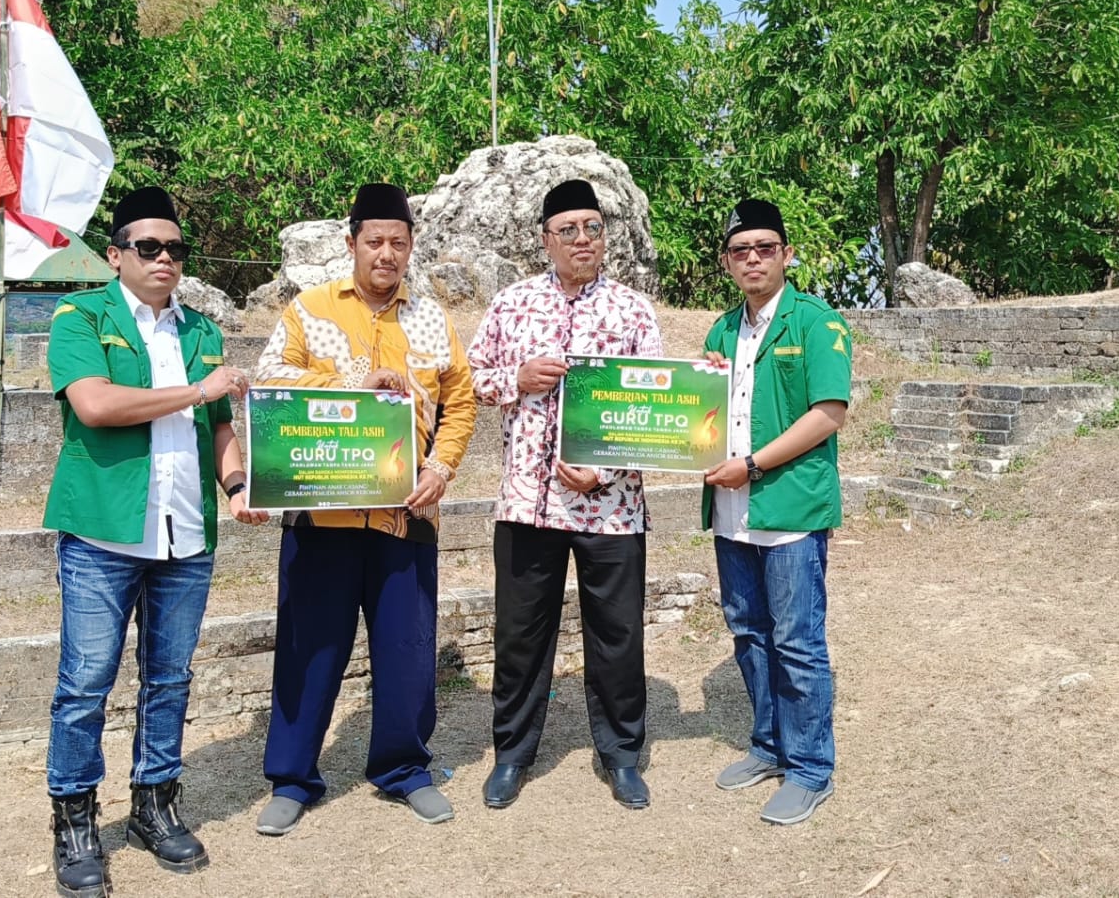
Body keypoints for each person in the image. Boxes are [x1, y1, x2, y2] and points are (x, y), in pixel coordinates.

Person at [42, 185, 267, 894]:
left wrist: (236, 487)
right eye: (149, 247)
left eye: (175, 248)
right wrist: (200, 393)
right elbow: (96, 405)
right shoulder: (81, 317)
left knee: (169, 679)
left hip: (186, 530)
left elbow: (221, 430)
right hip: (105, 532)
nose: (164, 259)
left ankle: (155, 805)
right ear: (117, 255)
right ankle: (75, 822)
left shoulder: (201, 331)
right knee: (85, 685)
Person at [252, 182, 476, 836]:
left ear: (411, 249)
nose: (386, 254)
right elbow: (269, 383)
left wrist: (440, 467)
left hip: (406, 516)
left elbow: (460, 402)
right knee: (308, 651)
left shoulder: (432, 318)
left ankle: (404, 769)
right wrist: (353, 380)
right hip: (322, 517)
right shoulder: (309, 310)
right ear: (351, 244)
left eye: (398, 243)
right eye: (374, 241)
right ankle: (293, 778)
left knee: (407, 653)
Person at [466, 179, 664, 811]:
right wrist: (515, 378)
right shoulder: (511, 304)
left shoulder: (633, 311)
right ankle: (513, 755)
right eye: (568, 230)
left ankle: (622, 755)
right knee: (521, 636)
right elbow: (471, 379)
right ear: (545, 239)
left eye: (593, 228)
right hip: (528, 503)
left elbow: (654, 408)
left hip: (611, 507)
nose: (583, 240)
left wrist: (606, 470)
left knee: (618, 636)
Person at [701, 197, 851, 826]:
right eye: (742, 250)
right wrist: (697, 381)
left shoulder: (817, 323)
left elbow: (828, 413)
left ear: (787, 254)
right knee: (750, 634)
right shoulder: (720, 331)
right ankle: (769, 746)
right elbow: (698, 414)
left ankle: (811, 767)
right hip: (732, 512)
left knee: (797, 641)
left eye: (766, 247)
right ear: (729, 262)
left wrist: (755, 465)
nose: (754, 259)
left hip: (788, 509)